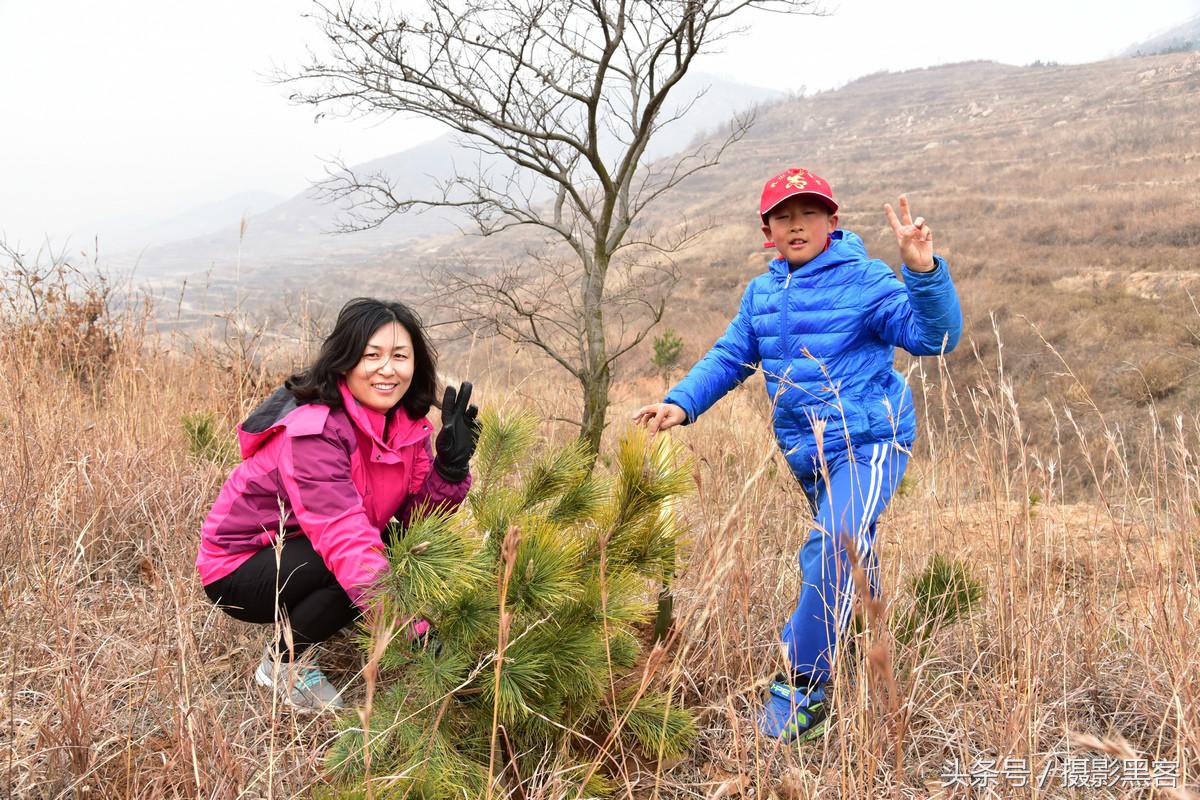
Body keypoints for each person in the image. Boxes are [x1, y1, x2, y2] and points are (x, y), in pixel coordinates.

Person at [634, 168, 962, 742]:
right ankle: (873, 647)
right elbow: (730, 356)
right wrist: (680, 404)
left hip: (870, 440)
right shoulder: (763, 294)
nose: (796, 225)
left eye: (809, 213)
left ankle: (804, 687)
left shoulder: (865, 279)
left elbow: (934, 338)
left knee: (834, 540)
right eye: (784, 216)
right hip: (809, 455)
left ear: (832, 222)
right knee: (850, 551)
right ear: (768, 230)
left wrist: (922, 269)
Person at [196, 297, 479, 712]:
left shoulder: (408, 427)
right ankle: (283, 664)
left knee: (394, 549)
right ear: (345, 361)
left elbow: (412, 524)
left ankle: (314, 621)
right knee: (356, 562)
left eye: (400, 356)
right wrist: (416, 635)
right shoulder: (314, 432)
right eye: (372, 355)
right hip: (240, 566)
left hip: (307, 548)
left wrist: (449, 471)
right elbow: (346, 542)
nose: (388, 369)